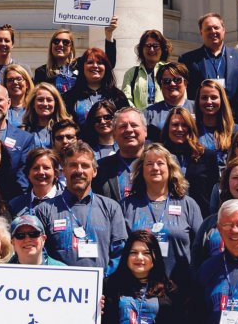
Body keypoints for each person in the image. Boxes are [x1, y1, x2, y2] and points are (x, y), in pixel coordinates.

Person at [35, 142, 128, 275]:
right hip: (59, 290)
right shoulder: (44, 210)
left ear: (94, 171)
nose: (79, 171)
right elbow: (40, 253)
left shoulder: (111, 208)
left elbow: (119, 251)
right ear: (63, 170)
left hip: (102, 289)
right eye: (73, 165)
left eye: (85, 166)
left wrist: (100, 279)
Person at [120, 144, 204, 284]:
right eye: (149, 164)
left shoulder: (188, 205)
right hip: (137, 289)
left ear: (170, 168)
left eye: (160, 163)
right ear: (141, 170)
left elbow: (200, 248)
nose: (155, 168)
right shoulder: (126, 206)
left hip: (180, 289)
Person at [103, 230, 188, 324]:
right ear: (126, 256)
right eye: (133, 252)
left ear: (155, 256)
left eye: (146, 253)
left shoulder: (170, 289)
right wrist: (98, 309)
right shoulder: (109, 286)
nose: (139, 257)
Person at [179, 12, 238, 98]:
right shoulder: (187, 59)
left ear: (223, 30)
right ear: (201, 33)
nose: (213, 31)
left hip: (233, 110)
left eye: (216, 28)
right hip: (200, 110)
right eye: (208, 29)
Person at [35, 23, 119, 94]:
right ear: (51, 45)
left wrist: (109, 34)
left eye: (65, 42)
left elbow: (109, 63)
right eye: (56, 41)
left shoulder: (80, 64)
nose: (60, 44)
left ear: (71, 47)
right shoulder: (41, 72)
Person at [158, 108, 218, 205]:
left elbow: (213, 192)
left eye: (184, 125)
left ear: (191, 128)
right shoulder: (159, 156)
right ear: (167, 127)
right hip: (166, 213)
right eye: (175, 125)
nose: (179, 129)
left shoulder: (207, 156)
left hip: (201, 215)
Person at [63, 48, 131, 125]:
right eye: (90, 62)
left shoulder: (118, 96)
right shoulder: (70, 97)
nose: (95, 66)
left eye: (100, 63)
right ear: (82, 67)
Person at [93, 108, 148, 202]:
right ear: (114, 134)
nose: (129, 130)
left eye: (134, 125)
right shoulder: (100, 167)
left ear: (145, 131)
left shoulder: (162, 164)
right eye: (123, 126)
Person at [121, 29, 172, 108]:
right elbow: (126, 99)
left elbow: (180, 96)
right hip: (139, 118)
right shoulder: (131, 73)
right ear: (141, 49)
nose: (151, 49)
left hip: (167, 118)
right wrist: (138, 116)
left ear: (163, 49)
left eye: (155, 46)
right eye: (148, 46)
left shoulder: (172, 70)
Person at [194, 79, 237, 166]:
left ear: (222, 100)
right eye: (204, 97)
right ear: (198, 101)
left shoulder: (235, 131)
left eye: (214, 97)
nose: (209, 102)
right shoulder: (192, 129)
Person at [143, 63, 194, 137]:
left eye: (177, 80)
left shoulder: (197, 108)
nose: (172, 84)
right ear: (161, 86)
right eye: (167, 81)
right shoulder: (149, 113)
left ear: (185, 83)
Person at [8, 148, 62, 217]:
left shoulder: (66, 201)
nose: (41, 172)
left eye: (46, 168)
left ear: (55, 172)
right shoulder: (15, 204)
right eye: (36, 168)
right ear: (28, 173)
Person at [21, 83, 72, 149]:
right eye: (40, 100)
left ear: (56, 103)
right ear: (33, 103)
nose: (45, 104)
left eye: (49, 100)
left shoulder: (66, 128)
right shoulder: (24, 130)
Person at [2, 64, 34, 129]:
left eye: (19, 79)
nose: (15, 82)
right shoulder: (2, 108)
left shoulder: (34, 108)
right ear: (5, 85)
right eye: (10, 80)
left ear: (27, 84)